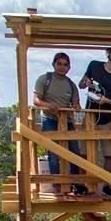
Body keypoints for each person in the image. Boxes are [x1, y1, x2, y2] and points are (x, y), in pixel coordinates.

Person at [79, 43, 111, 194]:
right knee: (84, 151)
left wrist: (106, 100)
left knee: (108, 154)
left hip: (108, 118)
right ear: (108, 53)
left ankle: (107, 184)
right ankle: (83, 184)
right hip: (90, 115)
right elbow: (81, 84)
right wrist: (86, 83)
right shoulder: (94, 66)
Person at [33, 52, 81, 193]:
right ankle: (57, 184)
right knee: (53, 153)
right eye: (59, 64)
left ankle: (75, 183)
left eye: (65, 65)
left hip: (67, 120)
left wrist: (77, 106)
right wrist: (49, 105)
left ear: (69, 68)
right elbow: (36, 101)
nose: (61, 67)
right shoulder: (44, 79)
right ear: (54, 64)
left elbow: (76, 103)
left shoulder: (71, 85)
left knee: (74, 152)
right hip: (50, 119)